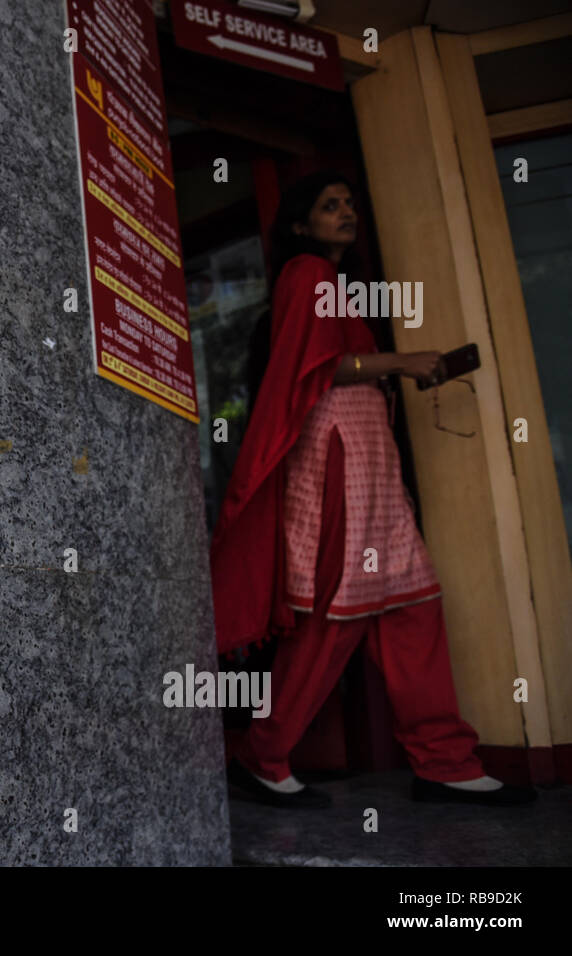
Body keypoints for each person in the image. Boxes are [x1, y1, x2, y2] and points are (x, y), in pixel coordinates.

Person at [211, 170, 536, 808]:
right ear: (301, 225)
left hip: (371, 464)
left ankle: (445, 762)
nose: (345, 212)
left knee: (413, 605)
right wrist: (405, 361)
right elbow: (318, 368)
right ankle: (262, 755)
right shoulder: (306, 273)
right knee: (336, 614)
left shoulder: (340, 288)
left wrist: (397, 369)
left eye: (349, 203)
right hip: (336, 461)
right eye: (329, 206)